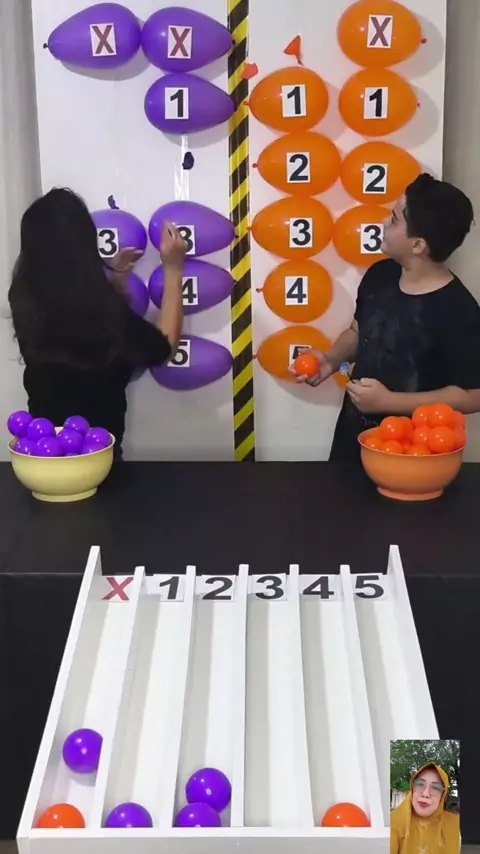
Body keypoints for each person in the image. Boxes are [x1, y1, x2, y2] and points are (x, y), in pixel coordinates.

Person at [295, 173, 480, 461]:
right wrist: (330, 360)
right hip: (352, 440)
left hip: (414, 452)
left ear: (418, 245)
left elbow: (473, 395)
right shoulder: (380, 275)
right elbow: (359, 332)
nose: (383, 222)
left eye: (394, 220)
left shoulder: (459, 311)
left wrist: (390, 402)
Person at [9, 188, 187, 455]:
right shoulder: (106, 313)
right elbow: (166, 347)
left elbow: (70, 320)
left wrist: (116, 279)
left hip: (42, 451)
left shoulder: (22, 299)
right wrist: (174, 270)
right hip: (98, 459)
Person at [390, 762, 460, 853]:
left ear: (443, 795)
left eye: (436, 788)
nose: (426, 794)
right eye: (420, 784)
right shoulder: (393, 823)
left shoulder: (455, 826)